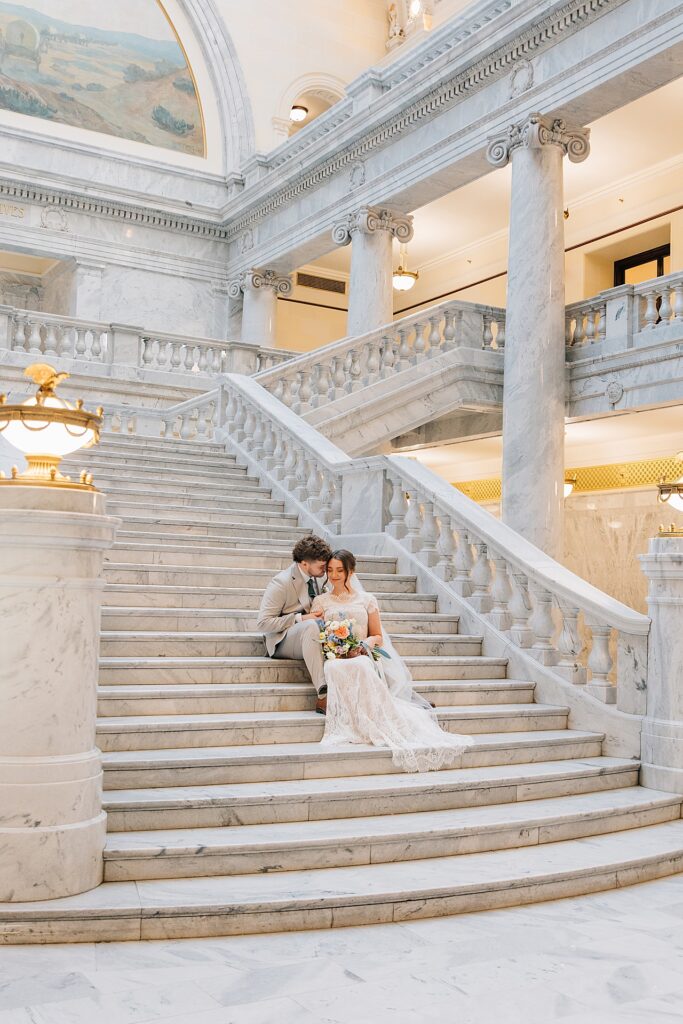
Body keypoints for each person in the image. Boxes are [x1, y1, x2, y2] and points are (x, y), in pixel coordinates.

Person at [311, 549, 473, 773]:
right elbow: (316, 635)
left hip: (362, 654)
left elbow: (377, 635)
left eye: (340, 570)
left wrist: (364, 645)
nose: (334, 575)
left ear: (350, 571)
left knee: (361, 664)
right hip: (335, 657)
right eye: (330, 570)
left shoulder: (366, 600)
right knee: (334, 667)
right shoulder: (320, 601)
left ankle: (376, 720)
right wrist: (334, 647)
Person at [257, 535, 332, 715]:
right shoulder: (281, 582)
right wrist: (300, 619)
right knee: (311, 626)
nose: (326, 570)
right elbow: (263, 623)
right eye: (321, 566)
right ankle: (323, 694)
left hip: (313, 635)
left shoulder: (320, 578)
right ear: (304, 564)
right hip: (282, 640)